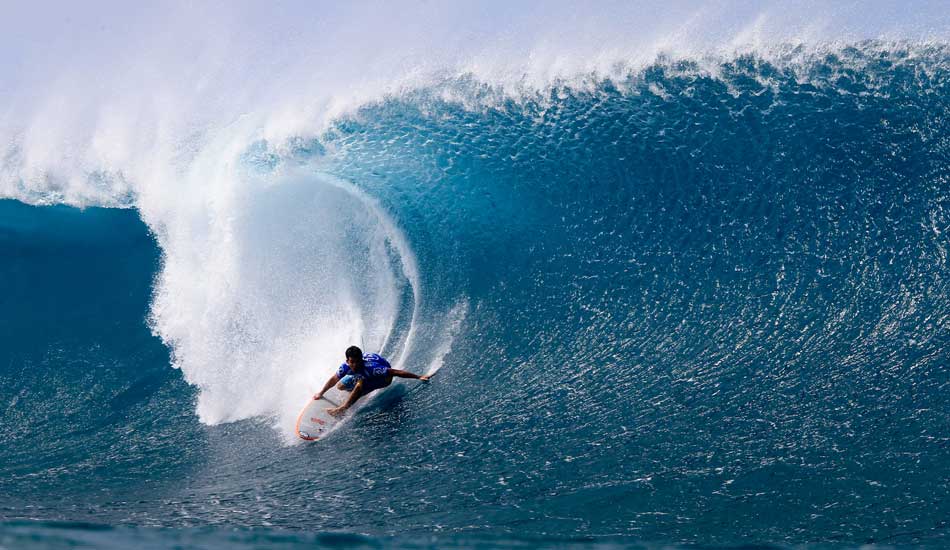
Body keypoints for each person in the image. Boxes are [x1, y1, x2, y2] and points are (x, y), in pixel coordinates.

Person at [313, 345, 433, 416]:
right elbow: (333, 379)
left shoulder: (373, 368)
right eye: (352, 362)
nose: (355, 364)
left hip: (383, 379)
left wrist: (418, 377)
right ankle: (355, 394)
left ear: (361, 359)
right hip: (365, 374)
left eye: (357, 361)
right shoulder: (345, 367)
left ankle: (343, 409)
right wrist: (321, 393)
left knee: (360, 383)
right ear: (347, 361)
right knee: (340, 386)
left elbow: (395, 372)